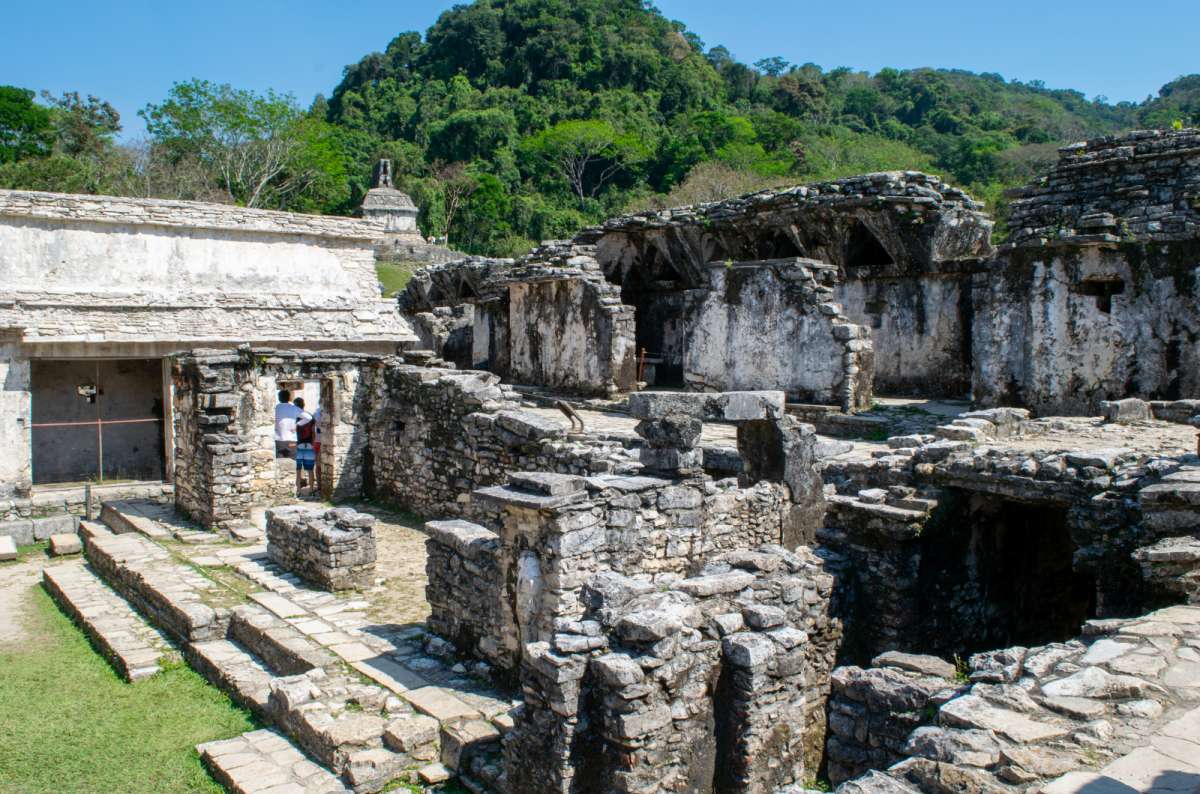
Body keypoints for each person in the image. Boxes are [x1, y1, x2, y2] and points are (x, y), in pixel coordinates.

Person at [293, 397, 316, 495]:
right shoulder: (310, 416)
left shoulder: (295, 417)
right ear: (303, 405)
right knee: (310, 469)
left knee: (298, 470)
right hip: (309, 444)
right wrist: (313, 443)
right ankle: (311, 490)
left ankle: (298, 490)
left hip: (298, 444)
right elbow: (313, 431)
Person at [274, 389, 301, 458]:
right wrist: (298, 424)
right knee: (293, 462)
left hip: (279, 440)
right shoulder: (295, 408)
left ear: (279, 398)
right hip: (292, 440)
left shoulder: (276, 408)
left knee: (280, 463)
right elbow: (308, 417)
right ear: (289, 398)